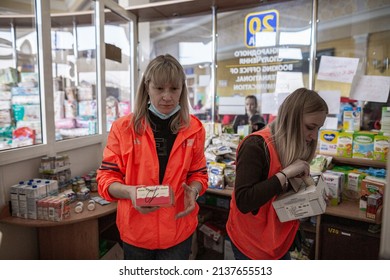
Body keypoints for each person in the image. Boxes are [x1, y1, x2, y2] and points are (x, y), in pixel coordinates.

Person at [96, 54, 208, 260]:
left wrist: (194, 190)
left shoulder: (194, 128)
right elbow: (106, 179)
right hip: (136, 232)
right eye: (159, 88)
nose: (167, 96)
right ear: (147, 87)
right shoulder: (124, 128)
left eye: (174, 89)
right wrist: (129, 192)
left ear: (182, 89)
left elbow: (199, 174)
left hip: (178, 229)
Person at [226, 88, 328, 260]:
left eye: (319, 128)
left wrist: (311, 192)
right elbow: (244, 201)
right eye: (310, 127)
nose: (314, 135)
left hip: (280, 242)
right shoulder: (255, 145)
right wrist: (285, 174)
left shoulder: (296, 146)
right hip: (251, 243)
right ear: (291, 119)